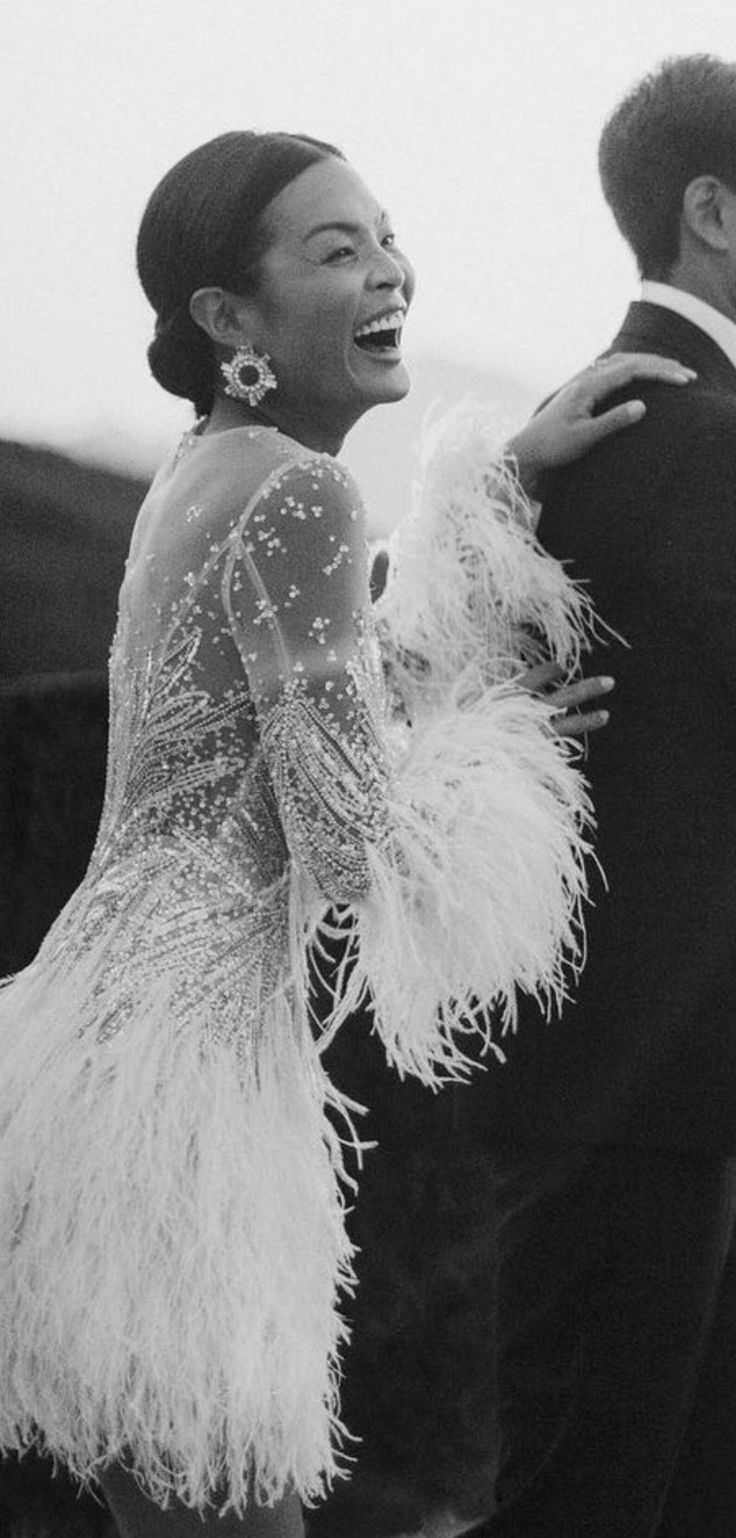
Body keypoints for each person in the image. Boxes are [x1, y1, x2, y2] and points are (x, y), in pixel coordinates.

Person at [0, 130, 692, 1538]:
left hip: (96, 1049)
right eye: (336, 249)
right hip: (185, 1093)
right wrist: (516, 743)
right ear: (227, 319)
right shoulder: (300, 491)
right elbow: (349, 841)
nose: (390, 268)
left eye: (386, 236)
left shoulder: (217, 467)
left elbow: (334, 666)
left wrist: (496, 488)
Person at [462, 54, 736, 1538]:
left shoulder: (591, 414)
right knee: (595, 1500)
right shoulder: (697, 432)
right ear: (713, 209)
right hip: (643, 1088)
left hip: (642, 1074)